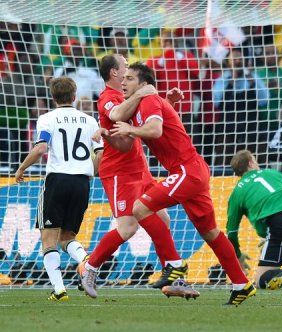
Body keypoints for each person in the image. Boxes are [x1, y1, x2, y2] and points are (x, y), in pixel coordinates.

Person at [110, 62, 255, 305]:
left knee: (139, 208)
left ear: (143, 84)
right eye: (123, 78)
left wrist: (131, 129)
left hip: (187, 170)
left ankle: (174, 263)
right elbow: (138, 119)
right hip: (193, 170)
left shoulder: (148, 100)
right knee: (210, 233)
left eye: (130, 78)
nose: (123, 83)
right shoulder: (146, 101)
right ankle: (242, 284)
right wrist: (169, 104)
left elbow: (155, 131)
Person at [78, 54, 197, 299]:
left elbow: (147, 124)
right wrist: (143, 93)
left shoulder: (128, 97)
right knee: (128, 227)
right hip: (119, 173)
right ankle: (90, 268)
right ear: (114, 73)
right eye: (125, 67)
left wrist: (165, 102)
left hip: (139, 169)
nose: (128, 70)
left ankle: (173, 277)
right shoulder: (108, 99)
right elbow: (117, 118)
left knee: (162, 218)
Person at [14, 77, 104, 301]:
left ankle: (59, 289)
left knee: (49, 239)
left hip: (57, 180)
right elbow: (101, 154)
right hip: (82, 182)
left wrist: (21, 168)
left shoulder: (47, 119)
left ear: (53, 97)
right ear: (74, 97)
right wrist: (89, 172)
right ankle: (84, 260)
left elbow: (41, 148)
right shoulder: (89, 121)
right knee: (68, 236)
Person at [227, 150, 282, 289]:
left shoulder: (237, 192)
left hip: (281, 224)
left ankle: (279, 273)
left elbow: (232, 232)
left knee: (259, 280)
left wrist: (238, 255)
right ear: (251, 163)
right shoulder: (273, 173)